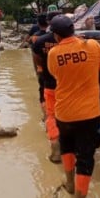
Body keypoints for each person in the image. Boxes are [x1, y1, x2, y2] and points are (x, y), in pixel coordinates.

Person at [47, 15, 100, 198]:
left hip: (64, 113)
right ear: (73, 30)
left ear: (57, 36)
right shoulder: (92, 45)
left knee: (67, 148)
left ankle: (69, 183)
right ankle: (80, 196)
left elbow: (55, 74)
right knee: (85, 157)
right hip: (89, 114)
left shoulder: (53, 53)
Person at [32, 11, 61, 163]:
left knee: (51, 116)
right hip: (69, 86)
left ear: (49, 22)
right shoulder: (73, 41)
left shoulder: (40, 41)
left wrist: (40, 69)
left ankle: (55, 145)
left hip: (49, 83)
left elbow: (36, 58)